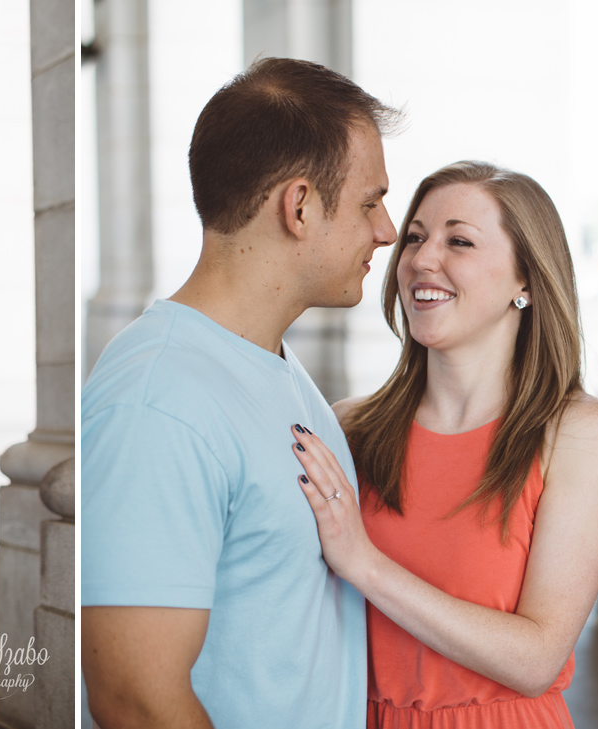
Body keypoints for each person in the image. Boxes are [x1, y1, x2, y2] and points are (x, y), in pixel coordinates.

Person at [81, 57, 400, 728]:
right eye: (371, 201)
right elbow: (135, 699)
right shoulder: (158, 400)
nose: (387, 230)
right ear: (301, 205)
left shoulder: (272, 366)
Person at [288, 161, 598, 727]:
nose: (420, 259)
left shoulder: (576, 433)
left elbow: (537, 658)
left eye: (459, 241)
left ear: (527, 281)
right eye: (415, 237)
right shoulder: (348, 427)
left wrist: (364, 564)